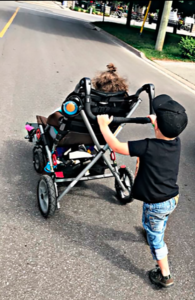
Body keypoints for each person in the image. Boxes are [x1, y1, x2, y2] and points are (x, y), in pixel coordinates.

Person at [97, 94, 188, 288]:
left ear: (157, 127)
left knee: (156, 238)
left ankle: (165, 274)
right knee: (159, 221)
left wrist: (104, 125)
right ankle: (153, 231)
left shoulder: (148, 146)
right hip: (172, 198)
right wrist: (157, 122)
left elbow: (116, 146)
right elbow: (165, 131)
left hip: (156, 203)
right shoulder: (175, 142)